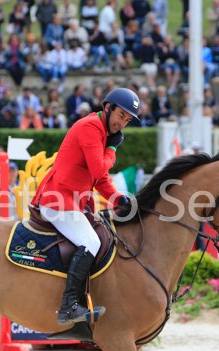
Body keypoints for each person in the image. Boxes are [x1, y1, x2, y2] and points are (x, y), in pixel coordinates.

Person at [30, 87, 138, 324]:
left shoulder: (101, 131)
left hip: (72, 202)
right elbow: (99, 169)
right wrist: (112, 149)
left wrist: (118, 198)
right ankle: (69, 306)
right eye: (121, 115)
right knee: (92, 242)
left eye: (127, 120)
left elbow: (100, 179)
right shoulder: (90, 127)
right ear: (107, 107)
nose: (122, 123)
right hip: (58, 201)